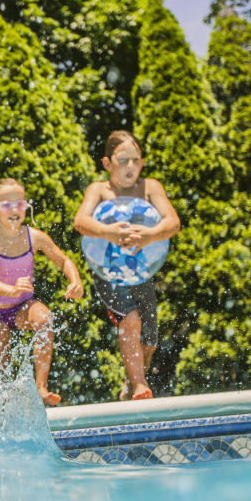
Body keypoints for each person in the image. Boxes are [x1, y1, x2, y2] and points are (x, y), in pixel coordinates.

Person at [73, 131, 180, 400]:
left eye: (135, 160)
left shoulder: (150, 188)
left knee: (150, 339)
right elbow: (81, 222)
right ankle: (140, 383)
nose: (130, 166)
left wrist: (148, 235)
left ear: (142, 163)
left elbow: (172, 222)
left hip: (141, 272)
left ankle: (132, 382)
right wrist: (107, 232)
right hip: (109, 273)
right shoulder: (98, 190)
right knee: (130, 320)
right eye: (123, 160)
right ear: (107, 163)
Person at [0, 178, 84, 406]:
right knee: (0, 380)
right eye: (6, 204)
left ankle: (41, 387)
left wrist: (75, 280)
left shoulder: (34, 237)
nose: (14, 209)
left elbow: (63, 260)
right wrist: (12, 289)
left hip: (23, 307)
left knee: (45, 318)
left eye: (20, 203)